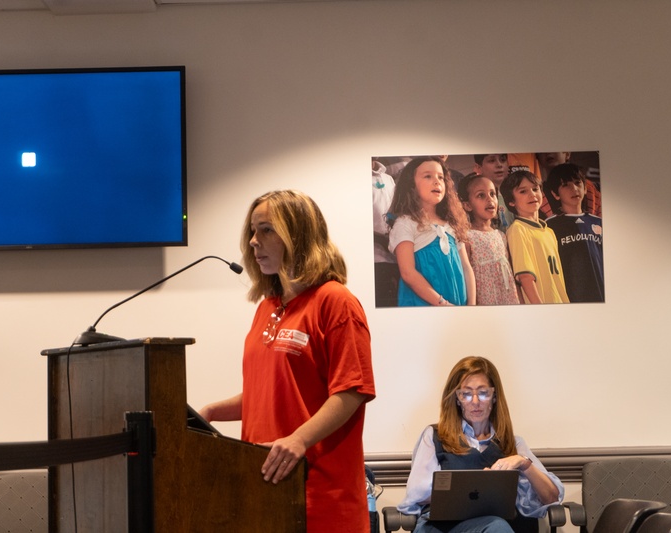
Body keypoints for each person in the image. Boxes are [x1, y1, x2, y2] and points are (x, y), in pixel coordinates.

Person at [200, 190, 376, 533]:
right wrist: (209, 413)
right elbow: (270, 392)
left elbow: (352, 390)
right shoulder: (268, 307)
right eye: (253, 231)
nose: (253, 242)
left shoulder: (335, 302)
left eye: (266, 230)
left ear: (298, 234)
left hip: (320, 499)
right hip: (264, 492)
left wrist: (299, 439)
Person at [398, 356, 564, 533]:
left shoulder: (512, 444)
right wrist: (466, 493)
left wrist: (524, 463)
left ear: (494, 397)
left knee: (499, 526)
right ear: (457, 398)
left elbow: (551, 497)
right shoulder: (435, 436)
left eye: (483, 393)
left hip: (497, 526)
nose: (475, 402)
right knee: (497, 527)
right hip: (442, 527)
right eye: (467, 394)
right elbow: (416, 498)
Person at [387, 156, 476, 306]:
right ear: (411, 185)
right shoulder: (405, 223)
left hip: (458, 307)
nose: (437, 181)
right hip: (423, 305)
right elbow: (408, 273)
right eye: (428, 176)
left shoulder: (452, 224)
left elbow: (466, 268)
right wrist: (444, 304)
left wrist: (472, 305)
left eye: (441, 177)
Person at [499, 170, 569, 304]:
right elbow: (525, 277)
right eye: (523, 191)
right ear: (511, 201)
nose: (532, 194)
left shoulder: (549, 231)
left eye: (535, 189)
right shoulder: (517, 230)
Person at [544, 163, 605, 302]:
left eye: (578, 183)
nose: (574, 189)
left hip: (600, 294)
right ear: (555, 194)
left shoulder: (598, 223)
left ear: (585, 189)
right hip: (570, 296)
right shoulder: (549, 226)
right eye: (566, 185)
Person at [457, 174, 520, 305]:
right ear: (467, 205)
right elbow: (466, 274)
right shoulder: (467, 237)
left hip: (509, 298)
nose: (490, 200)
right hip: (486, 302)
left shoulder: (501, 235)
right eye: (481, 195)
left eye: (492, 194)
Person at [536, 152, 602, 218]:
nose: (548, 153)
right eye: (565, 185)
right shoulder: (537, 193)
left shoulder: (591, 188)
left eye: (577, 183)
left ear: (567, 154)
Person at [372, 158, 401, 307]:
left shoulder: (388, 178)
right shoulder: (354, 178)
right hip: (375, 259)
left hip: (395, 257)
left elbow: (396, 210)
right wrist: (381, 238)